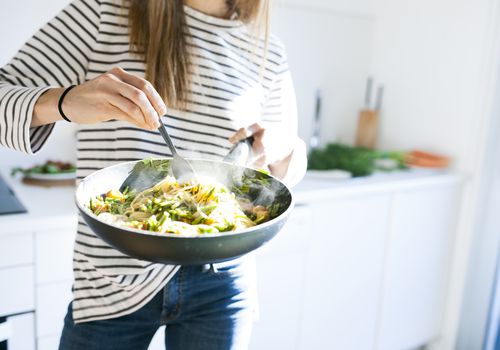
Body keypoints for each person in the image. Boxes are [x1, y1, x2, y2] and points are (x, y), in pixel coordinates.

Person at [0, 0, 306, 348]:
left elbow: (285, 173)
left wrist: (286, 147)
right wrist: (64, 101)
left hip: (222, 277)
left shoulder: (268, 50)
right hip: (111, 277)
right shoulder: (103, 12)